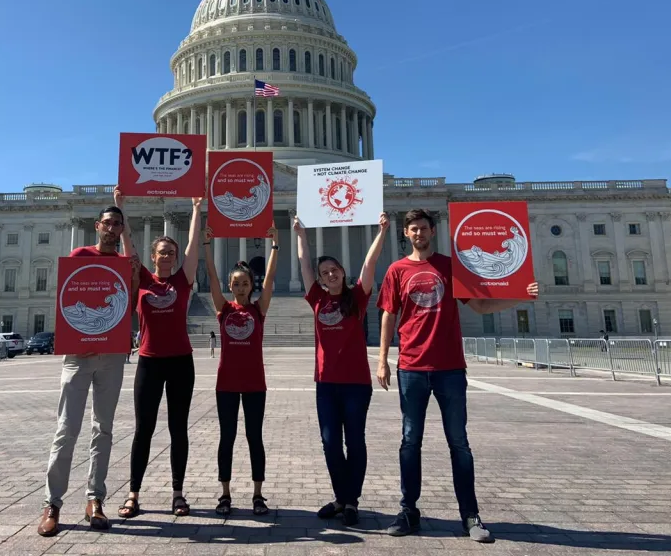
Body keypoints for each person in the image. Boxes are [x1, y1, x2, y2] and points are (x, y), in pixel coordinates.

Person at [377, 208, 539, 542]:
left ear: (432, 231)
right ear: (404, 233)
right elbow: (388, 316)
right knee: (410, 442)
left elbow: (480, 306)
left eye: (423, 228)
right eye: (413, 229)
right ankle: (409, 511)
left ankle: (470, 515)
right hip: (411, 367)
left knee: (459, 443)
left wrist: (521, 296)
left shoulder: (452, 267)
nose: (418, 233)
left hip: (450, 366)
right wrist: (382, 360)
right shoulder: (396, 270)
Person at [39, 188, 140, 537]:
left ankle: (95, 499)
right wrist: (74, 337)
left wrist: (125, 210)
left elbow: (134, 285)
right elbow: (72, 293)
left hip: (111, 356)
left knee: (104, 429)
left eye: (118, 225)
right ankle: (52, 502)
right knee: (66, 429)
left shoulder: (126, 263)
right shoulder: (80, 253)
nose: (112, 229)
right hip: (78, 355)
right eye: (108, 223)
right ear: (97, 226)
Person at [294, 213, 390, 528]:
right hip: (325, 383)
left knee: (356, 441)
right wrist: (301, 235)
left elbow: (370, 264)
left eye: (334, 270)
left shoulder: (357, 298)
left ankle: (350, 501)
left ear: (342, 272)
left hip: (356, 384)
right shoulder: (317, 298)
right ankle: (341, 497)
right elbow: (304, 265)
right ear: (321, 279)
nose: (329, 274)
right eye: (325, 272)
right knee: (330, 442)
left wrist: (382, 231)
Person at [118, 197, 204, 519]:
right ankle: (133, 493)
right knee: (144, 429)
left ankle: (178, 494)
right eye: (161, 252)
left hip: (181, 360)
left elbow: (194, 245)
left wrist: (196, 209)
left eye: (171, 252)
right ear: (153, 257)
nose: (167, 256)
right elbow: (128, 245)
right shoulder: (142, 280)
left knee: (178, 428)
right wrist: (122, 207)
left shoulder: (182, 280)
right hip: (150, 361)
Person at [203, 224, 279, 516]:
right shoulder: (224, 309)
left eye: (245, 283)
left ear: (251, 285)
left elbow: (270, 278)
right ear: (231, 286)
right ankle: (225, 494)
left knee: (254, 437)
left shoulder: (258, 310)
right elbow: (211, 277)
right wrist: (207, 247)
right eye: (236, 283)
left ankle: (258, 494)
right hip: (226, 383)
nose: (241, 287)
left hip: (254, 383)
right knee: (227, 438)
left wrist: (275, 246)